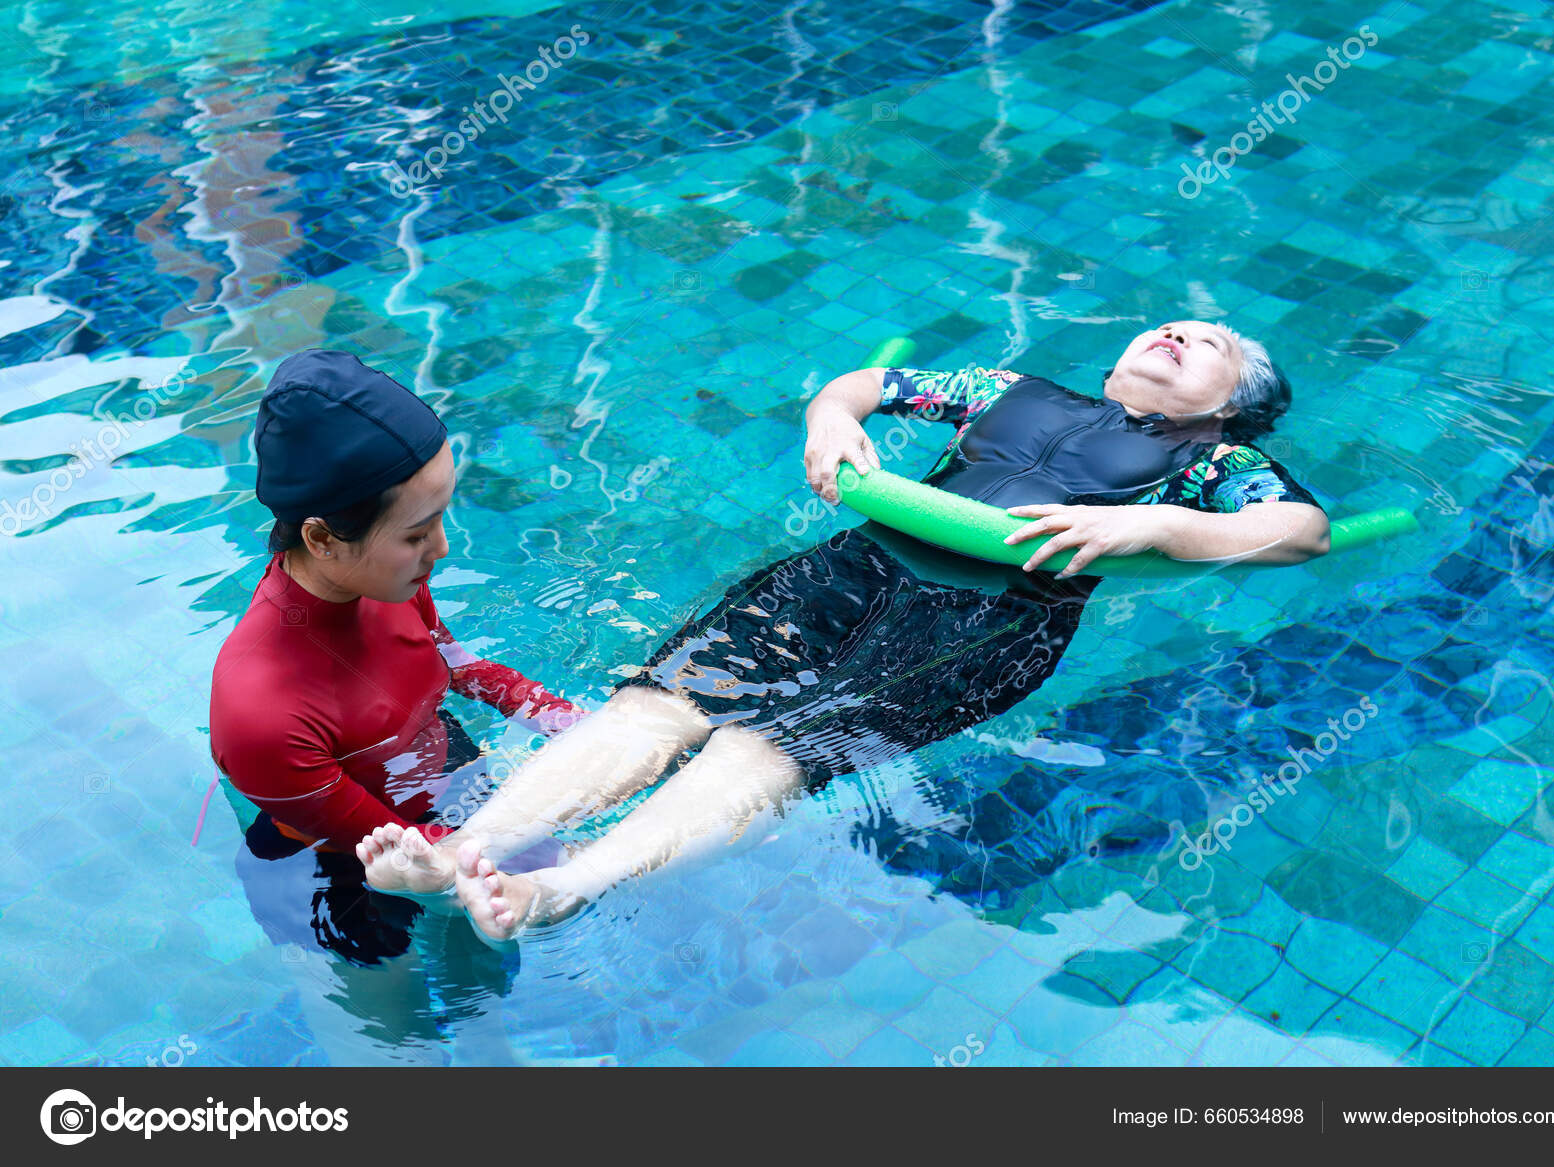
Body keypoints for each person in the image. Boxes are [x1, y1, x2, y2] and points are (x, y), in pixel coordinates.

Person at [357, 320, 1330, 942]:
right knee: (659, 707)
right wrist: (831, 421)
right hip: (849, 567)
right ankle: (464, 850)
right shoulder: (1014, 390)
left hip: (990, 617)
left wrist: (1155, 524)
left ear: (1230, 406)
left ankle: (559, 890)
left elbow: (1300, 532)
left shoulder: (1209, 464)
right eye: (1173, 322)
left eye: (1210, 345)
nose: (1180, 330)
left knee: (765, 750)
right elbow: (870, 385)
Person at [209, 349, 581, 957]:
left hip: (436, 772)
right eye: (416, 534)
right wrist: (510, 866)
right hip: (332, 872)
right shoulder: (263, 715)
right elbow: (398, 849)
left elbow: (455, 666)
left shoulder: (386, 575)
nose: (442, 547)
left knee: (495, 966)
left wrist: (566, 721)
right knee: (403, 1036)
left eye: (439, 519)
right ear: (322, 538)